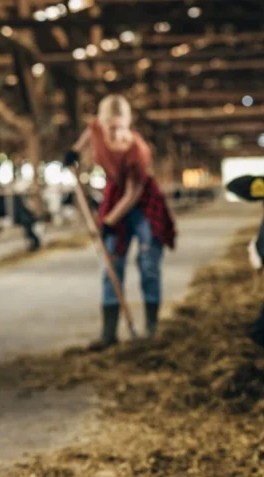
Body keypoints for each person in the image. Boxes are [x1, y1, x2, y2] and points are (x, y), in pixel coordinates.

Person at [64, 94, 176, 351]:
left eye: (120, 127)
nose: (114, 133)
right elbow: (87, 135)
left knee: (148, 263)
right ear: (101, 123)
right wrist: (74, 152)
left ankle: (150, 329)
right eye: (109, 127)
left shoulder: (138, 151)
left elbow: (133, 193)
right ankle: (109, 333)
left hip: (143, 202)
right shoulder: (96, 129)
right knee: (111, 262)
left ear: (128, 123)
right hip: (115, 194)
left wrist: (110, 221)